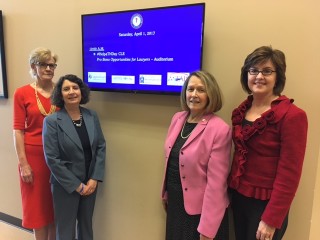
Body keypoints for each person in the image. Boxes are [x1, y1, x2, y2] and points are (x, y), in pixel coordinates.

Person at [228, 46, 308, 240]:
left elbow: (290, 174)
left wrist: (271, 219)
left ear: (277, 77)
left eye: (267, 71)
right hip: (239, 198)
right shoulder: (242, 111)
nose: (259, 76)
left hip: (266, 207)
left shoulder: (292, 116)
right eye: (253, 70)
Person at [161, 70, 232, 240]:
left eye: (201, 90)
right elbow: (172, 160)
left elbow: (217, 185)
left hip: (201, 213)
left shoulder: (219, 129)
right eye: (190, 89)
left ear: (211, 94)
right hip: (176, 203)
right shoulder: (178, 119)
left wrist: (207, 230)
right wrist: (166, 193)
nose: (194, 94)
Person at [42, 74, 106, 240]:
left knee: (86, 226)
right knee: (65, 229)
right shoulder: (52, 121)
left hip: (90, 184)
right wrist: (76, 185)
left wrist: (94, 178)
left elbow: (100, 146)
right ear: (60, 94)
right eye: (66, 89)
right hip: (65, 185)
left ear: (81, 91)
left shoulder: (92, 116)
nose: (71, 92)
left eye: (75, 88)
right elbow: (52, 159)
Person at [13, 47, 58, 240]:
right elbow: (17, 130)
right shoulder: (22, 93)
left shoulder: (62, 91)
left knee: (56, 209)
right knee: (37, 212)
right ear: (34, 66)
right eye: (44, 64)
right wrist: (24, 164)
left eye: (52, 65)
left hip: (57, 157)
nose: (49, 68)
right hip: (33, 159)